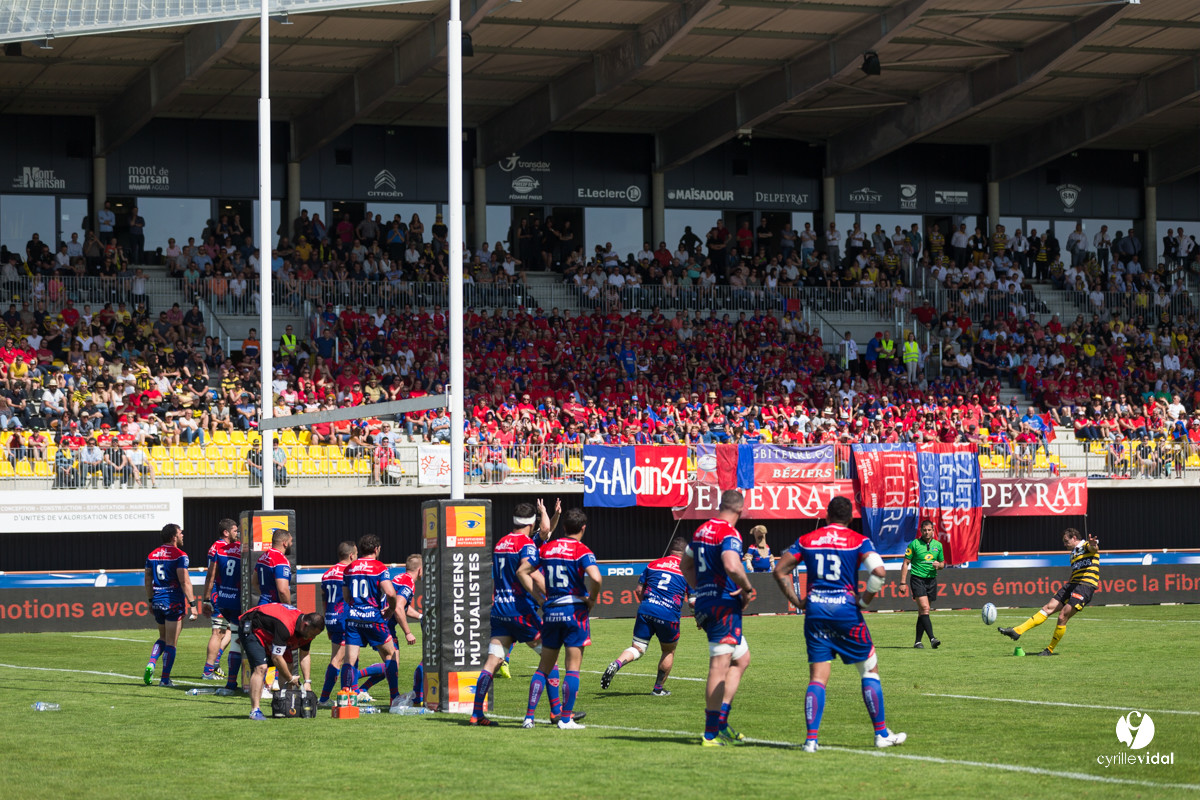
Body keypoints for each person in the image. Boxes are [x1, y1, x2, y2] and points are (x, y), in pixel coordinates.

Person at [772, 496, 907, 752]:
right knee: (869, 668)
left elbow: (779, 570)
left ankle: (811, 741)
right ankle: (881, 734)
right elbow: (879, 572)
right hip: (846, 611)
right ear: (851, 518)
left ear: (826, 516)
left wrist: (797, 601)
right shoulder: (858, 540)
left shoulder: (807, 540)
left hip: (815, 611)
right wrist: (866, 599)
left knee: (818, 678)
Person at [468, 501, 565, 727]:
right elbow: (529, 572)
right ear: (532, 523)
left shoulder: (502, 542)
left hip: (499, 611)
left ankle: (476, 714)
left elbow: (544, 532)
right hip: (521, 611)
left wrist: (546, 515)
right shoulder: (527, 546)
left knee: (491, 662)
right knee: (551, 658)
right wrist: (544, 598)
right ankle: (556, 713)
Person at [680, 489, 756, 746]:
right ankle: (711, 732)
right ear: (740, 511)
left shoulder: (701, 531)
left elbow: (685, 566)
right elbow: (732, 564)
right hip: (723, 606)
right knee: (719, 665)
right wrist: (747, 588)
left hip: (706, 602)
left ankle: (721, 721)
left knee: (741, 658)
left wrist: (699, 590)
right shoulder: (729, 532)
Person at [522, 507, 600, 730]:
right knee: (572, 668)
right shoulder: (582, 550)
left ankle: (529, 717)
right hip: (573, 611)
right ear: (583, 528)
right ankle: (566, 719)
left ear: (564, 527)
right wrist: (591, 600)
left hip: (551, 611)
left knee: (543, 668)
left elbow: (522, 572)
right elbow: (596, 577)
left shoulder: (547, 548)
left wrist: (539, 598)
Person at [600, 536, 690, 696]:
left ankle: (617, 663)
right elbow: (693, 600)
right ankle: (658, 689)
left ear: (671, 550)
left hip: (646, 609)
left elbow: (638, 590)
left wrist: (647, 604)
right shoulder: (687, 570)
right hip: (668, 614)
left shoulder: (653, 564)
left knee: (638, 649)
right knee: (668, 651)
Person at [998, 528, 1099, 655]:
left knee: (1063, 616)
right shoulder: (1073, 554)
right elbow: (1075, 572)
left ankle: (1049, 650)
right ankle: (1017, 631)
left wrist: (1093, 544)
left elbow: (1093, 549)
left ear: (1074, 537)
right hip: (1072, 584)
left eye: (1066, 541)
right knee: (1047, 608)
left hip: (1085, 586)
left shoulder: (1086, 545)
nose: (1064, 544)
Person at [340, 533, 402, 704]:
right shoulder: (380, 567)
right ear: (376, 549)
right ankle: (394, 697)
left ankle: (346, 698)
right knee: (390, 653)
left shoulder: (350, 568)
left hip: (353, 619)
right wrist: (391, 608)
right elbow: (390, 592)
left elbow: (346, 596)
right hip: (373, 618)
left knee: (349, 659)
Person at [237, 602, 324, 720]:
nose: (312, 638)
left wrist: (307, 681)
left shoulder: (306, 630)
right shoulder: (286, 626)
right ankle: (255, 710)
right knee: (261, 667)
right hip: (252, 627)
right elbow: (276, 657)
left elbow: (304, 655)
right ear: (305, 625)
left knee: (288, 665)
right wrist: (290, 678)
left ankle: (287, 706)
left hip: (271, 631)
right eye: (312, 634)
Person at [358, 554, 422, 704]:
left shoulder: (399, 578)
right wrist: (408, 632)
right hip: (384, 626)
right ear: (420, 570)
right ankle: (354, 676)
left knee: (391, 664)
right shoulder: (408, 583)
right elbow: (399, 608)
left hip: (379, 623)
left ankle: (362, 689)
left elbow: (402, 607)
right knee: (392, 663)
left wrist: (420, 616)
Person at [143, 523, 198, 687]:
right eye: (180, 533)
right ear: (174, 537)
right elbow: (184, 581)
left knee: (162, 637)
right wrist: (193, 603)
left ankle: (152, 662)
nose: (182, 536)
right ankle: (165, 679)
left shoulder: (152, 555)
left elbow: (147, 580)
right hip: (173, 601)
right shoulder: (180, 555)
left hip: (158, 600)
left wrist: (151, 600)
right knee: (171, 643)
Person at [201, 518, 239, 680]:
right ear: (226, 532)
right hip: (220, 593)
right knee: (218, 632)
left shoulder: (218, 548)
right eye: (235, 531)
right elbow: (212, 574)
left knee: (231, 631)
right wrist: (208, 597)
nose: (237, 533)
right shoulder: (219, 548)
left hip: (226, 594)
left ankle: (214, 663)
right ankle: (208, 670)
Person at [900, 520, 945, 649]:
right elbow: (905, 563)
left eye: (929, 530)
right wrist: (902, 582)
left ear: (933, 530)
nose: (927, 532)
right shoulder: (914, 544)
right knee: (925, 608)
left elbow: (942, 564)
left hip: (931, 580)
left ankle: (917, 642)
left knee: (923, 612)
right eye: (924, 530)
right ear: (921, 530)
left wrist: (939, 565)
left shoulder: (938, 545)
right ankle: (932, 638)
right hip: (917, 579)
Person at [253, 529, 292, 605]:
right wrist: (289, 608)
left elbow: (254, 582)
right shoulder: (281, 560)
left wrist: (267, 596)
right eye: (290, 541)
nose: (291, 544)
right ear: (285, 543)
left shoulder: (262, 557)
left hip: (262, 605)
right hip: (275, 609)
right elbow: (283, 590)